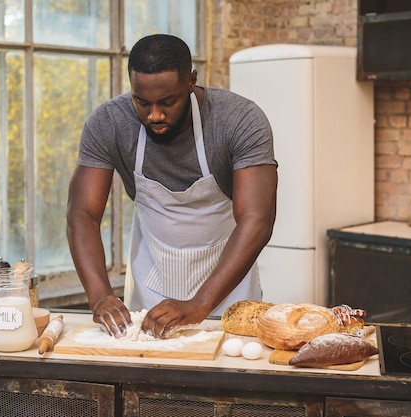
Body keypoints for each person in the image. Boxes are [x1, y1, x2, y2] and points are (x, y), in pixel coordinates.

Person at [66, 34, 277, 339]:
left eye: (167, 102)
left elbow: (258, 219)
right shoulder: (109, 123)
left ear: (191, 81)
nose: (154, 115)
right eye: (142, 101)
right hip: (150, 293)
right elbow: (82, 214)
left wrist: (201, 303)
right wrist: (99, 295)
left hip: (229, 293)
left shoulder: (239, 120)